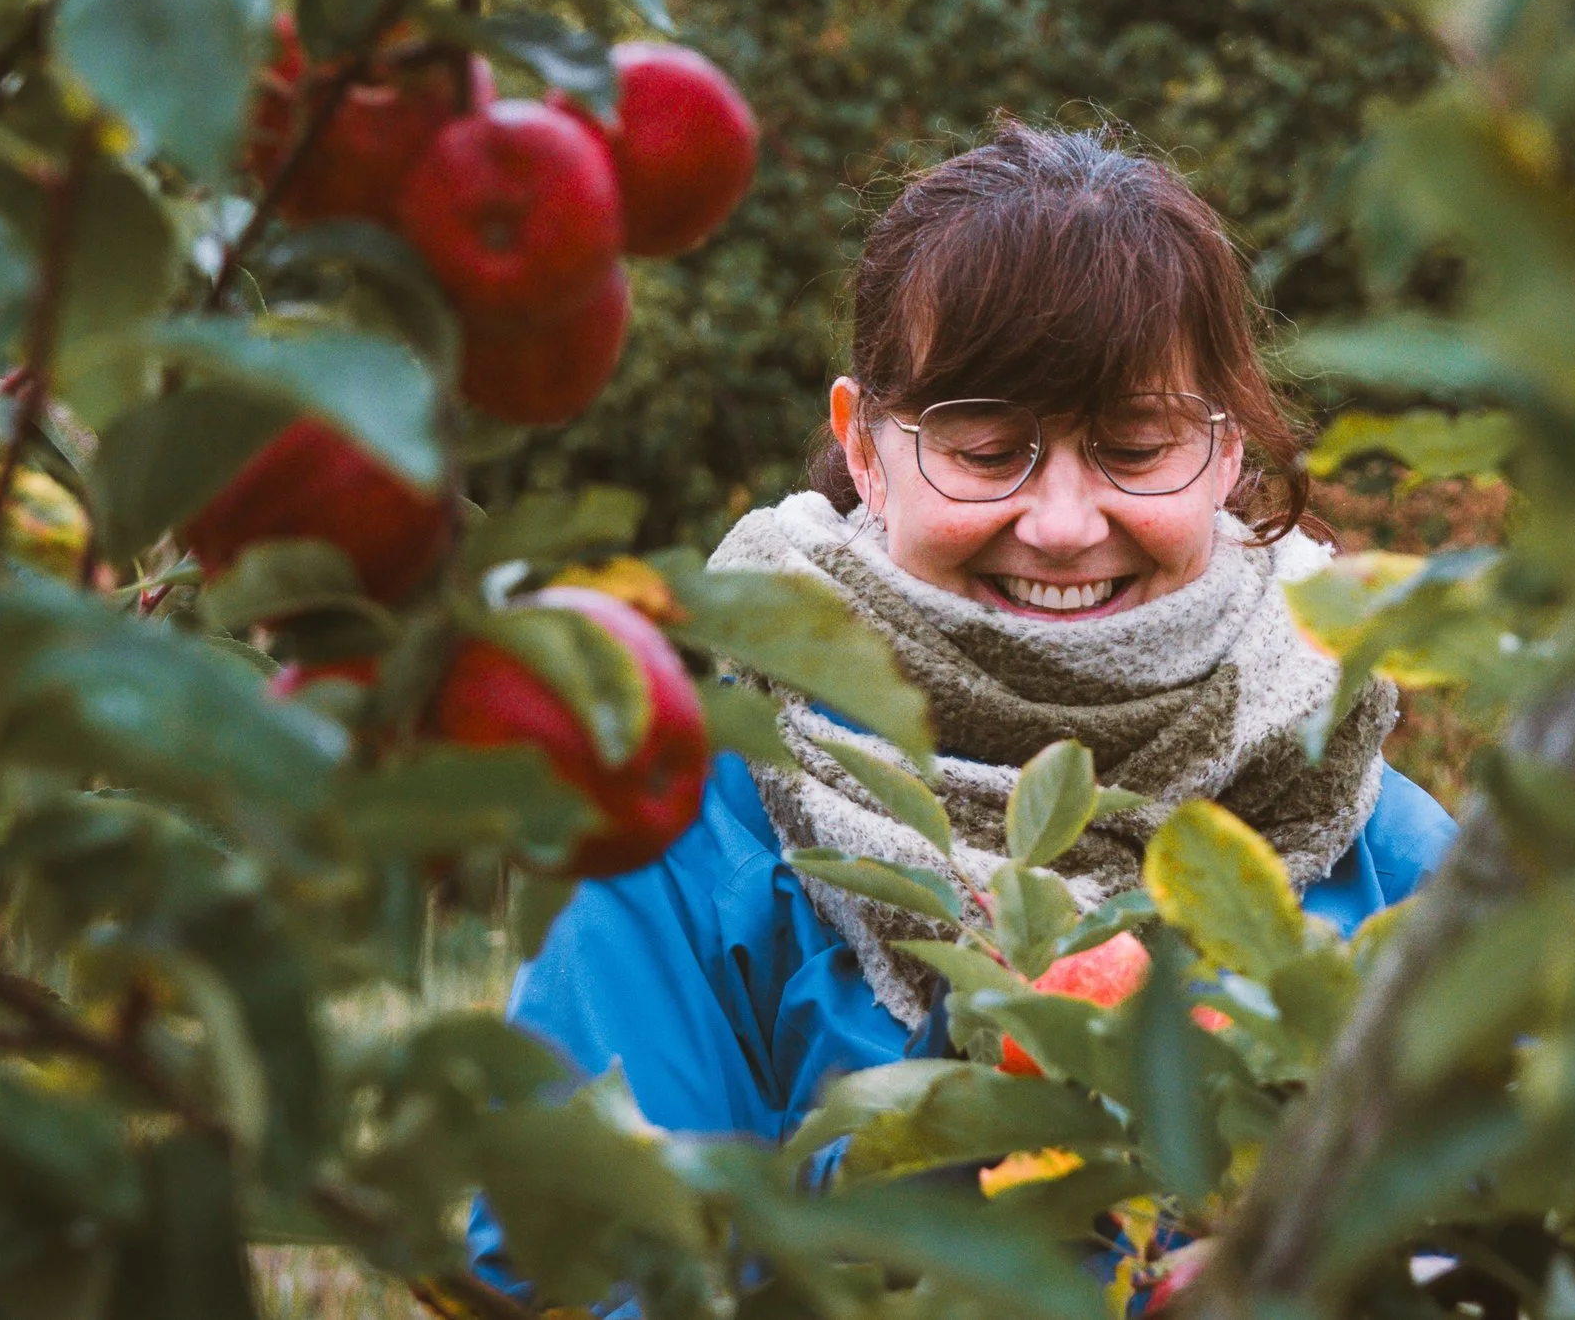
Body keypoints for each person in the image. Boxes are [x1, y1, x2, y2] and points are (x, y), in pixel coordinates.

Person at [467, 121, 1457, 1297]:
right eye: (988, 451)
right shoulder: (691, 835)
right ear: (864, 448)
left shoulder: (1373, 835)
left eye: (1134, 448)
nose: (1062, 522)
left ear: (1224, 452)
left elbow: (1506, 1242)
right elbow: (575, 1268)